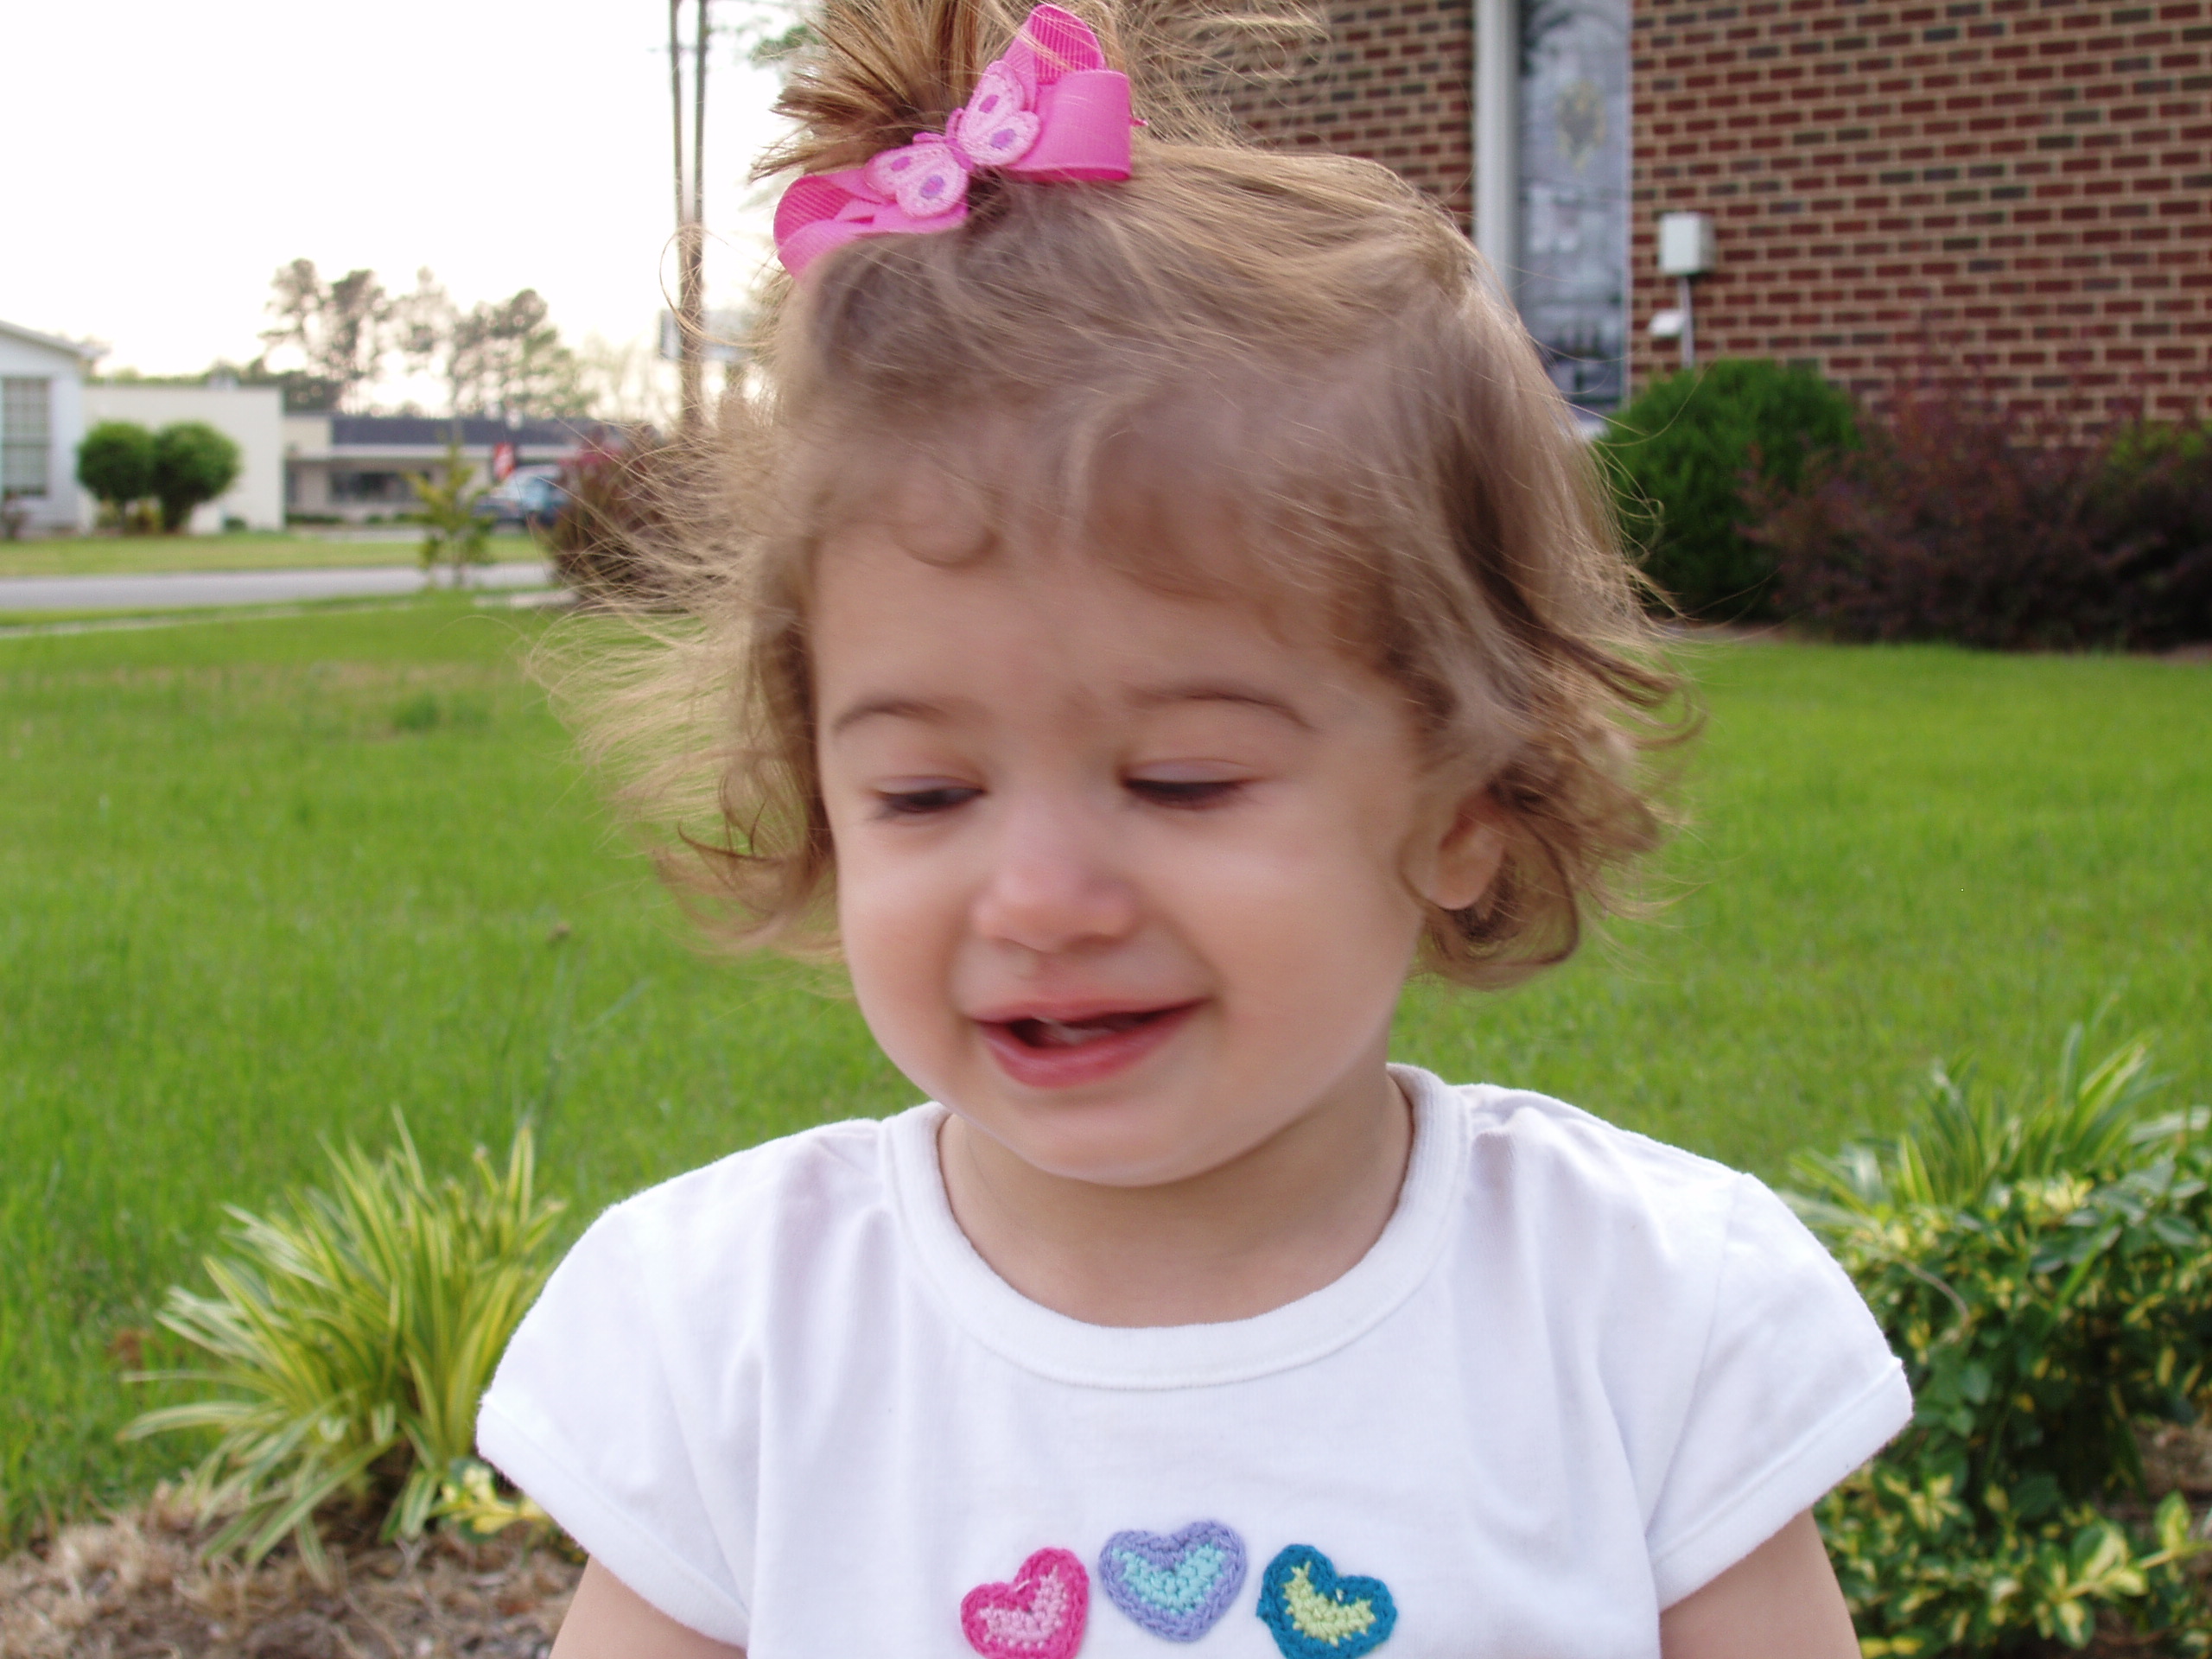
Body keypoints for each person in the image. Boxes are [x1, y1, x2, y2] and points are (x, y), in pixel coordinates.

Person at [478, 1, 1910, 1652]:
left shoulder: (1646, 1318)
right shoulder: (733, 1338)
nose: (1040, 897)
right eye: (927, 793)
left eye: (1182, 781)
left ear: (1468, 798)